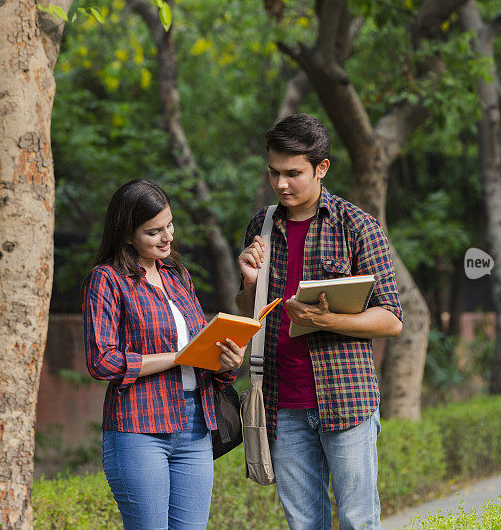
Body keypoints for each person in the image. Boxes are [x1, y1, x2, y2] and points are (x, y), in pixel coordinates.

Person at [236, 114, 403, 530]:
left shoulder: (357, 227)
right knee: (304, 524)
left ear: (321, 168)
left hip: (346, 399)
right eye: (274, 172)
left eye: (293, 173)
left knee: (357, 520)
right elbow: (249, 313)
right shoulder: (262, 225)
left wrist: (328, 319)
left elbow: (392, 319)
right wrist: (249, 284)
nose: (282, 183)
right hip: (282, 403)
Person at [83, 179, 244, 530]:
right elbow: (102, 360)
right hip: (139, 428)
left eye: (169, 225)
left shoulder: (178, 276)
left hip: (196, 425)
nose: (168, 237)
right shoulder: (107, 280)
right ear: (127, 235)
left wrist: (227, 362)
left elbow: (200, 349)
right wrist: (176, 357)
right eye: (154, 231)